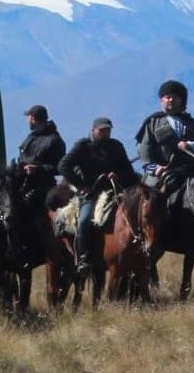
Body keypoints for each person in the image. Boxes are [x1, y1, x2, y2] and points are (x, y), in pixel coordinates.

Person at [60, 117, 139, 275]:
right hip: (92, 193)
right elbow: (63, 165)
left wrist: (117, 176)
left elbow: (128, 171)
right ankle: (84, 258)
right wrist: (82, 186)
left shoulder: (116, 146)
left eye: (108, 130)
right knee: (84, 219)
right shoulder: (82, 146)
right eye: (102, 130)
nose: (105, 133)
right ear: (93, 130)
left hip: (117, 191)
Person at [135, 79, 194, 194]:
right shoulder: (152, 123)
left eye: (175, 97)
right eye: (167, 97)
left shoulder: (192, 123)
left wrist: (190, 146)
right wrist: (156, 169)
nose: (171, 100)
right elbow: (144, 152)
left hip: (189, 172)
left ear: (182, 100)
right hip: (160, 175)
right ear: (161, 100)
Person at [15, 104, 66, 204]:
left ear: (33, 119)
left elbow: (59, 167)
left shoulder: (54, 140)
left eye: (28, 117)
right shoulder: (31, 137)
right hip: (23, 184)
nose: (27, 121)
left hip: (42, 188)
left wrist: (37, 169)